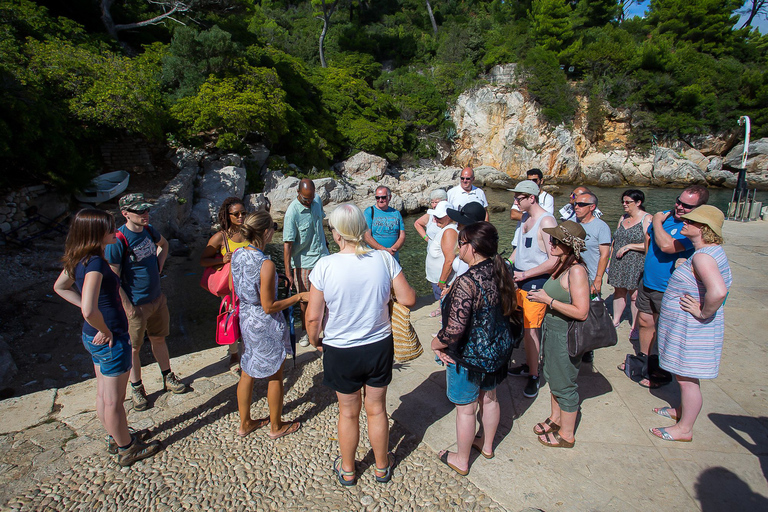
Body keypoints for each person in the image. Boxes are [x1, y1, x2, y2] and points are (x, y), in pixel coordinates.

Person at [305, 204, 416, 486]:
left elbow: (313, 317)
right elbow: (409, 299)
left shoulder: (324, 266)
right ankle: (381, 466)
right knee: (377, 409)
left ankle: (348, 469)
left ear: (337, 234)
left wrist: (317, 341)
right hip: (378, 345)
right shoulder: (383, 259)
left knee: (348, 411)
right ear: (362, 230)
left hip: (341, 350)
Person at [54, 209, 162, 466]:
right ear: (95, 234)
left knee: (103, 394)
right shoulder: (96, 264)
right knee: (114, 399)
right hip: (110, 339)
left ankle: (116, 436)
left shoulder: (78, 258)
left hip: (92, 337)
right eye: (109, 228)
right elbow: (89, 309)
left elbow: (60, 287)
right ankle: (127, 447)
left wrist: (95, 322)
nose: (115, 232)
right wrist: (104, 328)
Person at [431, 222, 520, 475]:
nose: (458, 247)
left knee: (466, 410)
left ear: (471, 247)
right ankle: (487, 445)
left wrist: (435, 343)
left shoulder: (466, 281)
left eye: (461, 242)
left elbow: (454, 330)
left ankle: (461, 459)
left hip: (469, 357)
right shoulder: (500, 269)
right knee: (490, 399)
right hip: (496, 349)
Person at [650, 206, 731, 442]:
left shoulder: (704, 257)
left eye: (691, 221)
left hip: (692, 328)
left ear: (704, 229)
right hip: (686, 326)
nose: (683, 221)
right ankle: (681, 412)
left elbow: (717, 292)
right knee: (684, 376)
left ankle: (685, 429)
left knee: (687, 380)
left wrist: (702, 312)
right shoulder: (706, 253)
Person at [106, 193, 187, 412]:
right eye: (139, 211)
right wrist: (128, 307)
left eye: (146, 210)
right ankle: (136, 387)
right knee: (134, 348)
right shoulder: (118, 240)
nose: (145, 214)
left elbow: (164, 244)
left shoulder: (150, 231)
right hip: (135, 304)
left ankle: (167, 376)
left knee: (159, 338)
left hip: (156, 299)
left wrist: (159, 265)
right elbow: (113, 278)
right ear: (125, 214)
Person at [231, 211, 308, 439]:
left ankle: (245, 423)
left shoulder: (237, 255)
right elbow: (269, 305)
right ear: (266, 232)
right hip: (264, 323)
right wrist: (297, 298)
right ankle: (276, 426)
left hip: (245, 317)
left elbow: (234, 286)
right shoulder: (265, 264)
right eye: (273, 228)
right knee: (275, 373)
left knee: (247, 370)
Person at [629, 185, 709, 388]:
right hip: (648, 282)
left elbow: (667, 246)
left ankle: (661, 370)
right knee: (645, 321)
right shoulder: (669, 218)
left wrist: (655, 220)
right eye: (678, 201)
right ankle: (644, 361)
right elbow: (650, 242)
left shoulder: (693, 228)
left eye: (687, 205)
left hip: (669, 287)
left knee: (665, 329)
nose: (679, 207)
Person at [526, 221, 590, 448]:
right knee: (553, 377)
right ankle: (555, 418)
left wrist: (548, 300)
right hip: (551, 331)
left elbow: (582, 312)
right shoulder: (561, 265)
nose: (549, 243)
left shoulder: (576, 271)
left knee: (565, 385)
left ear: (568, 245)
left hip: (565, 335)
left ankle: (567, 434)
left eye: (555, 240)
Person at [506, 180, 558, 399]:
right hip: (519, 279)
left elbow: (554, 259)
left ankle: (534, 375)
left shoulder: (547, 221)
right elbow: (519, 250)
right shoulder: (526, 218)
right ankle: (529, 364)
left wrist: (525, 275)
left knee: (531, 330)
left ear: (531, 198)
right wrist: (506, 267)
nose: (515, 202)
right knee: (520, 325)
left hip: (535, 283)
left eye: (519, 198)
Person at [199, 197, 250, 374]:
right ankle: (234, 354)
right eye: (236, 214)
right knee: (231, 319)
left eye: (243, 213)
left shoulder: (249, 233)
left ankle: (248, 351)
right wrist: (222, 259)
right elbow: (203, 260)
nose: (241, 216)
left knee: (248, 319)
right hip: (229, 288)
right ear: (227, 216)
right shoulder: (220, 237)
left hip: (249, 284)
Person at [282, 179, 330, 347]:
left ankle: (326, 327)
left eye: (311, 198)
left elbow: (320, 225)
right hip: (303, 261)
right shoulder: (292, 212)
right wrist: (288, 272)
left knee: (329, 294)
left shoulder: (316, 201)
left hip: (322, 255)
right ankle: (305, 331)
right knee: (305, 300)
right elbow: (287, 245)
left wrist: (326, 245)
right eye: (305, 199)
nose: (309, 202)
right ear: (298, 193)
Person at [573, 191, 611, 363]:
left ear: (592, 207)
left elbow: (604, 254)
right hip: (573, 275)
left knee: (590, 311)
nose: (576, 207)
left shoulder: (601, 227)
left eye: (581, 204)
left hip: (590, 277)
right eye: (575, 203)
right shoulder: (572, 223)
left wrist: (598, 279)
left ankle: (589, 347)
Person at [608, 190, 651, 339]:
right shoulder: (623, 218)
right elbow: (615, 240)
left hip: (636, 262)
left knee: (635, 295)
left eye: (628, 202)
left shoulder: (646, 219)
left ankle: (635, 326)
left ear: (638, 203)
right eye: (623, 202)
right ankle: (616, 320)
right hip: (619, 262)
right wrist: (610, 258)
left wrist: (630, 246)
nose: (624, 204)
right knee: (618, 291)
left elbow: (649, 245)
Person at [425, 201, 459, 311]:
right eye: (435, 215)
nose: (435, 219)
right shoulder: (445, 229)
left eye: (439, 216)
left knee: (449, 307)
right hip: (438, 279)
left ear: (449, 217)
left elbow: (450, 260)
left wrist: (442, 281)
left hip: (444, 282)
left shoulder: (449, 231)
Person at [364, 186, 406, 262]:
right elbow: (367, 236)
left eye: (383, 197)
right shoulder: (369, 212)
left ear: (389, 197)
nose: (380, 200)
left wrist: (393, 249)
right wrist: (383, 250)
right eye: (377, 197)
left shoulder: (396, 213)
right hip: (374, 258)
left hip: (393, 258)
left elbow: (402, 235)